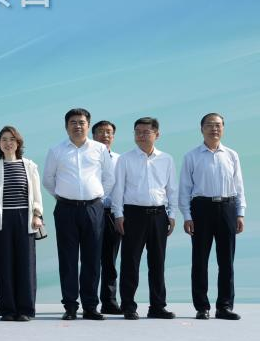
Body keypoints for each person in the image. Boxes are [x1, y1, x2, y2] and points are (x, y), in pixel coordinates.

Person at [43, 108, 115, 320]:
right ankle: (70, 306)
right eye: (73, 122)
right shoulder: (56, 150)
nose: (77, 126)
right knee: (68, 258)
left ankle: (90, 306)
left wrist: (96, 197)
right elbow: (48, 179)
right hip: (66, 209)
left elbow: (109, 178)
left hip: (93, 208)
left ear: (88, 125)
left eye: (81, 122)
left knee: (92, 258)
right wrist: (63, 196)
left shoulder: (99, 149)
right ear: (66, 126)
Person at [179, 113, 246, 320]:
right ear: (202, 129)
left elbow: (239, 186)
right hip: (201, 209)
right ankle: (202, 307)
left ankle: (224, 306)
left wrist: (240, 213)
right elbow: (185, 189)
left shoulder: (232, 155)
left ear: (223, 129)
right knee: (200, 260)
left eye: (218, 125)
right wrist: (187, 216)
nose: (214, 129)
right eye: (209, 125)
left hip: (227, 207)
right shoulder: (191, 156)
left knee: (226, 261)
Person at [111, 117, 178, 320]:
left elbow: (172, 189)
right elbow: (118, 189)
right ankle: (128, 306)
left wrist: (172, 214)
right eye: (137, 132)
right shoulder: (125, 159)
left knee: (157, 263)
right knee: (130, 262)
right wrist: (118, 214)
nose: (141, 136)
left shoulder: (166, 159)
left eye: (146, 132)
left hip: (159, 215)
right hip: (133, 215)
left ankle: (157, 306)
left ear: (157, 134)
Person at [0, 126, 44, 321]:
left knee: (25, 264)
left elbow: (36, 195)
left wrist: (37, 215)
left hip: (25, 218)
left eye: (11, 139)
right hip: (2, 219)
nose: (8, 143)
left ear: (18, 143)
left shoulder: (30, 166)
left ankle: (25, 309)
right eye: (4, 139)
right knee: (4, 264)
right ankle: (7, 309)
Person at [93, 120, 123, 314]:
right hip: (91, 211)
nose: (105, 135)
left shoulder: (120, 159)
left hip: (112, 213)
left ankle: (109, 301)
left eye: (109, 132)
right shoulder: (87, 157)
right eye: (101, 132)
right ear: (93, 135)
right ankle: (88, 301)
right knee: (90, 259)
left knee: (110, 260)